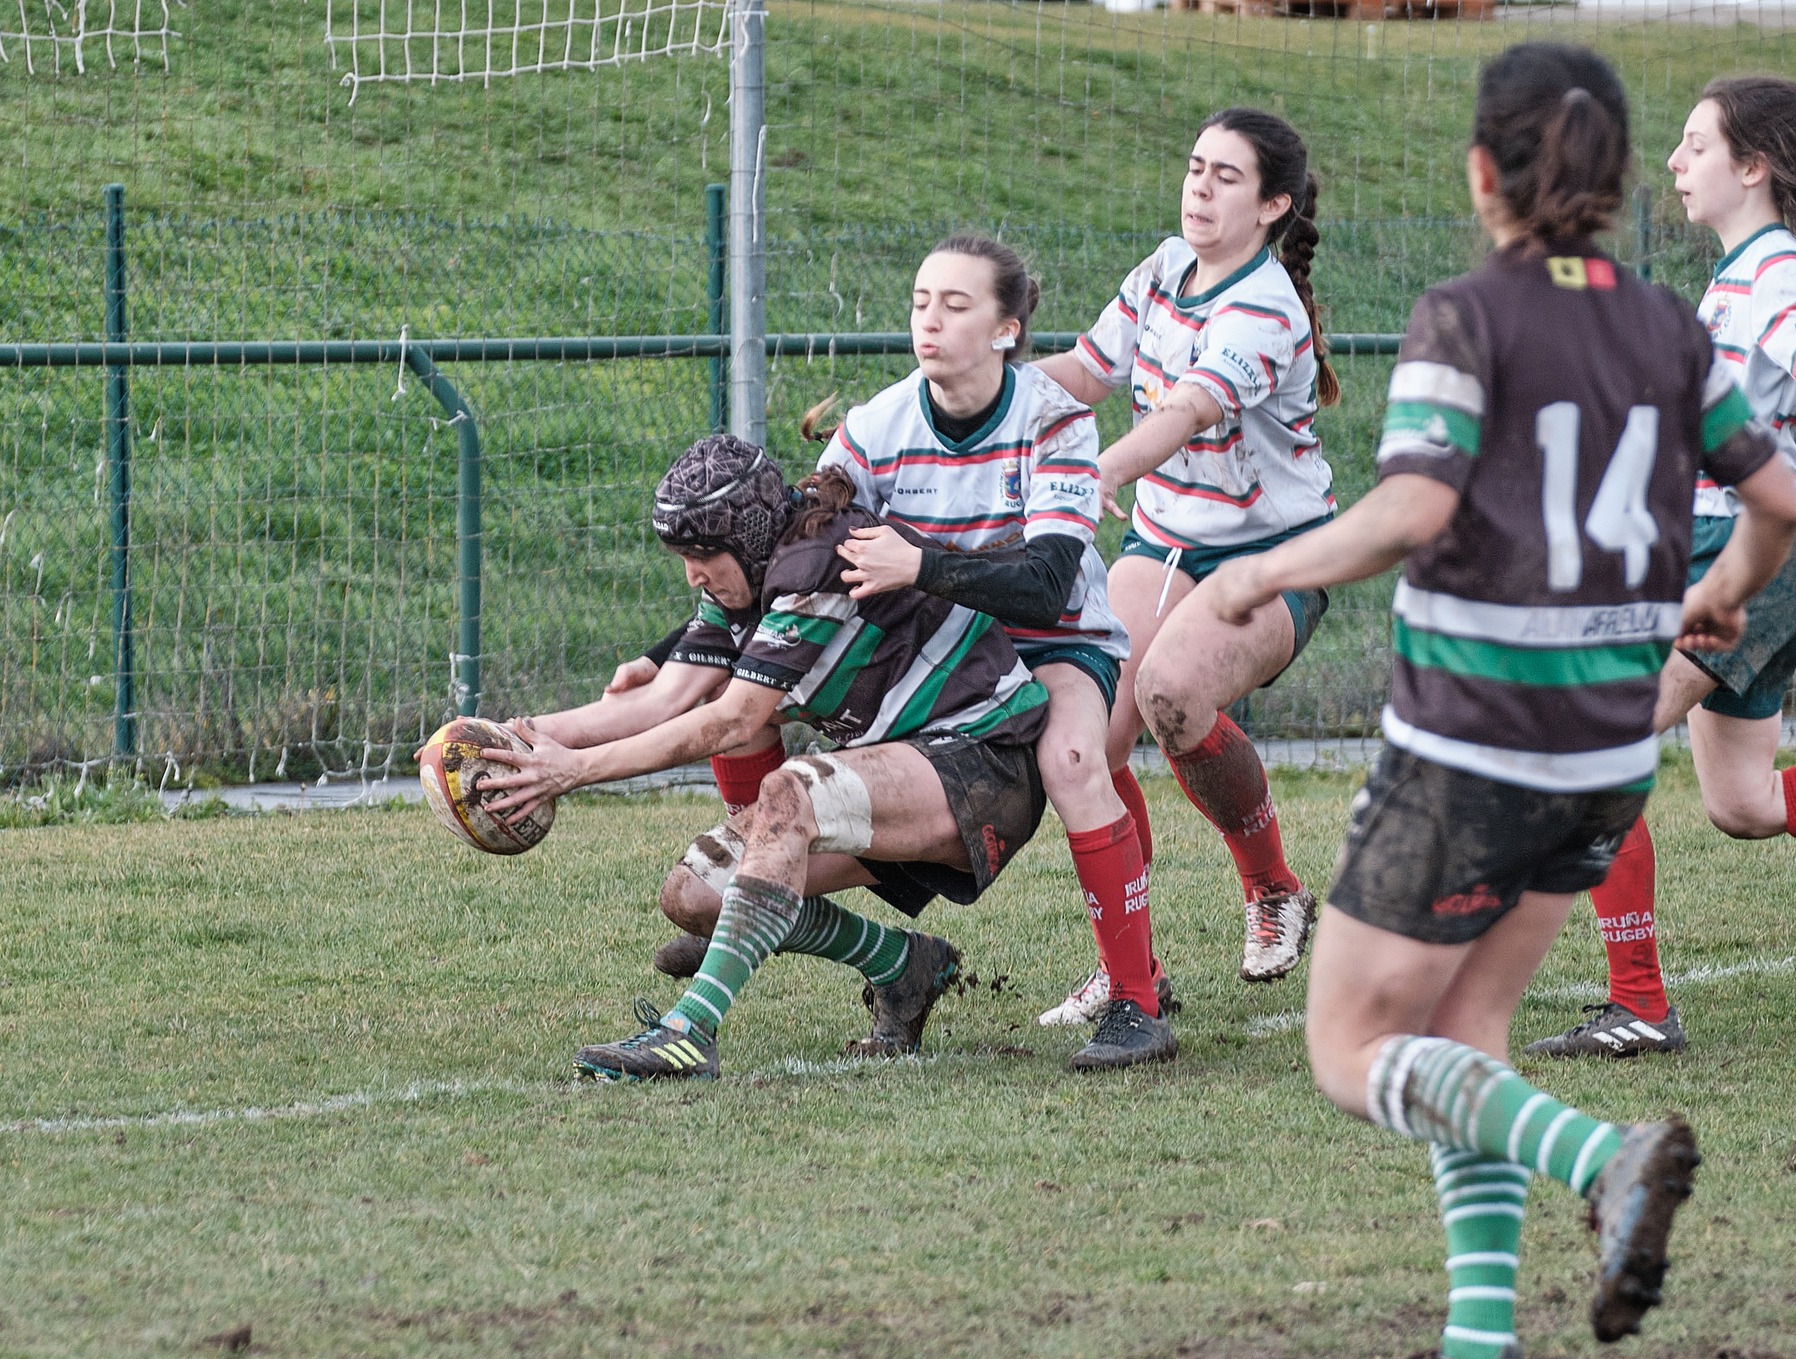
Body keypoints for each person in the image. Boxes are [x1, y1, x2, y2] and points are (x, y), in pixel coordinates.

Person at [1201, 43, 1796, 1359]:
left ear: (1485, 174)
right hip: (1602, 748)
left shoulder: (1467, 316)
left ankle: (1601, 1161)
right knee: (1468, 1030)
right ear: (1606, 183)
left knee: (1352, 1051)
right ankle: (1481, 1352)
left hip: (1474, 742)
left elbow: (1416, 505)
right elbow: (1778, 497)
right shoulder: (1670, 325)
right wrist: (1721, 596)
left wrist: (1261, 570)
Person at [483, 435, 1055, 1081]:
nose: (693, 574)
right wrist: (509, 738)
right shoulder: (744, 583)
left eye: (703, 556)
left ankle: (690, 1032)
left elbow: (735, 717)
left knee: (792, 789)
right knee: (696, 897)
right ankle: (904, 966)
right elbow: (665, 697)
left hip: (984, 762)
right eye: (683, 557)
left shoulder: (818, 564)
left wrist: (576, 771)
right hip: (904, 768)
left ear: (750, 536)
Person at [815, 233, 1177, 1069]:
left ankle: (1137, 1002)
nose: (929, 320)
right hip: (933, 644)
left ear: (1007, 328)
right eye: (919, 302)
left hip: (1048, 640)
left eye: (955, 304)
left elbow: (1050, 583)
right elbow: (805, 555)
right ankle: (753, 904)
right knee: (787, 740)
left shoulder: (1055, 419)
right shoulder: (877, 424)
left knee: (1078, 756)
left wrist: (922, 565)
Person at [1528, 74, 1796, 1061]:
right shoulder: (1736, 273)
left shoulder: (1777, 280)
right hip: (1709, 547)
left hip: (1752, 556)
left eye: (1693, 145)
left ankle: (1639, 1003)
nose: (1671, 163)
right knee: (1744, 806)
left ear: (1751, 165)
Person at [1032, 106, 1339, 1007]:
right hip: (1164, 542)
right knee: (1082, 736)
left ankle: (1273, 886)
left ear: (1273, 204)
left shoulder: (1266, 306)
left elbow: (1186, 414)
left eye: (1226, 176)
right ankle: (1130, 973)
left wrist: (1098, 470)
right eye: (1195, 167)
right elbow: (1089, 373)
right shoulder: (1165, 268)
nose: (1200, 187)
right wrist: (979, 381)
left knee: (1172, 690)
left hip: (1274, 557)